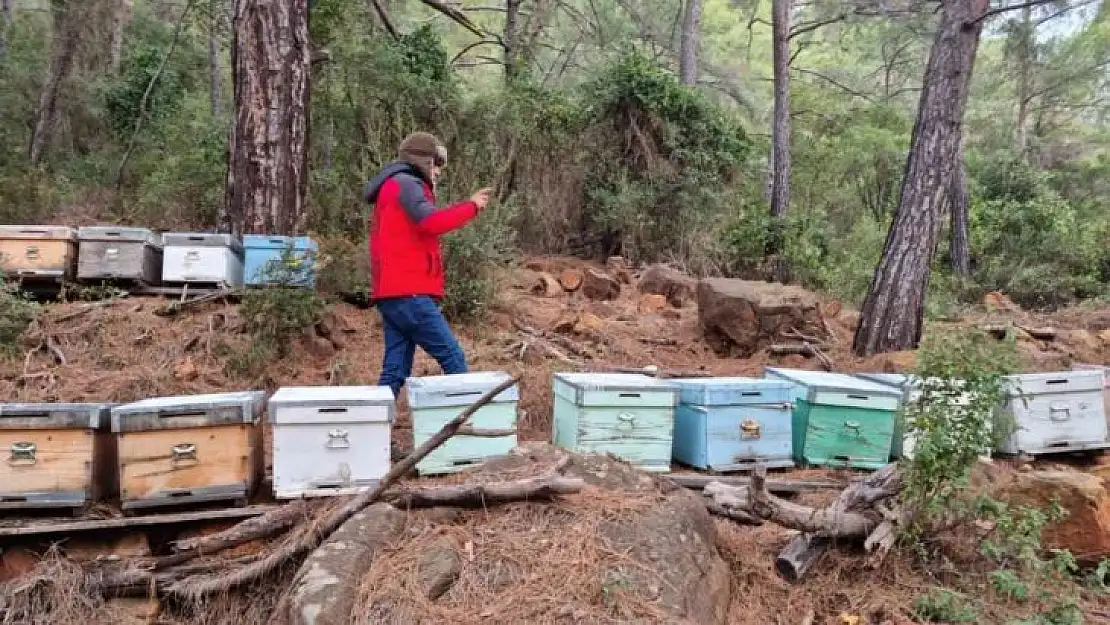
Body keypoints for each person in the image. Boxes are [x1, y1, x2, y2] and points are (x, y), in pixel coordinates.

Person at [363, 131, 492, 397]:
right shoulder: (407, 184)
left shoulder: (394, 184)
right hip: (410, 293)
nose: (438, 172)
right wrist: (471, 206)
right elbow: (431, 222)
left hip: (392, 293)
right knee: (453, 359)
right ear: (423, 161)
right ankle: (465, 429)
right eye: (436, 164)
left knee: (395, 370)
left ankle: (377, 434)